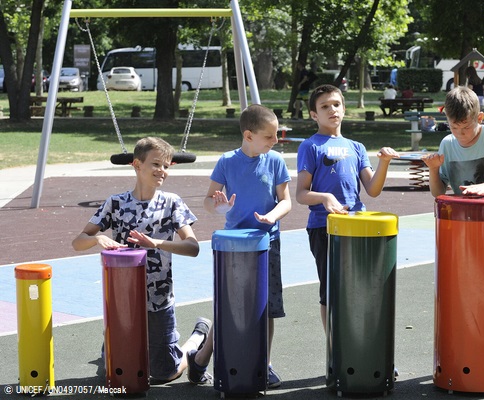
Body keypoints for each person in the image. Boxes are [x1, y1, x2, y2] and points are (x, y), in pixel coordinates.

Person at [72, 137, 210, 384]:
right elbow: (78, 241)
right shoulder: (115, 203)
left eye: (167, 166)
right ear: (137, 165)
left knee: (165, 373)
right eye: (156, 164)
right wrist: (98, 239)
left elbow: (193, 247)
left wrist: (155, 243)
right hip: (122, 302)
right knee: (114, 372)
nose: (162, 171)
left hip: (159, 299)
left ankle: (198, 337)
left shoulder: (171, 203)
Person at [189, 104, 292, 389]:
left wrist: (272, 216)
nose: (275, 141)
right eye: (269, 136)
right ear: (249, 135)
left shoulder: (275, 161)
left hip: (267, 244)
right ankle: (201, 357)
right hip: (233, 249)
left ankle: (264, 363)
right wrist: (219, 208)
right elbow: (209, 201)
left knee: (266, 309)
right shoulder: (226, 161)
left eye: (276, 135)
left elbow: (286, 200)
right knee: (230, 308)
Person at [295, 84, 400, 331]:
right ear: (313, 115)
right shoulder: (310, 146)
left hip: (357, 227)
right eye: (324, 106)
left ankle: (360, 343)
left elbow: (372, 189)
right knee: (331, 289)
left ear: (343, 108)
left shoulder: (356, 147)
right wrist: (324, 198)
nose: (332, 109)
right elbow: (301, 194)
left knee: (361, 287)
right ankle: (335, 347)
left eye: (336, 104)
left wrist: (383, 163)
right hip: (325, 228)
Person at [422, 86, 484, 198]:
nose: (460, 133)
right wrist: (433, 169)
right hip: (464, 212)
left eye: (466, 127)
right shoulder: (447, 144)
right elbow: (438, 193)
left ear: (479, 118)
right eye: (453, 127)